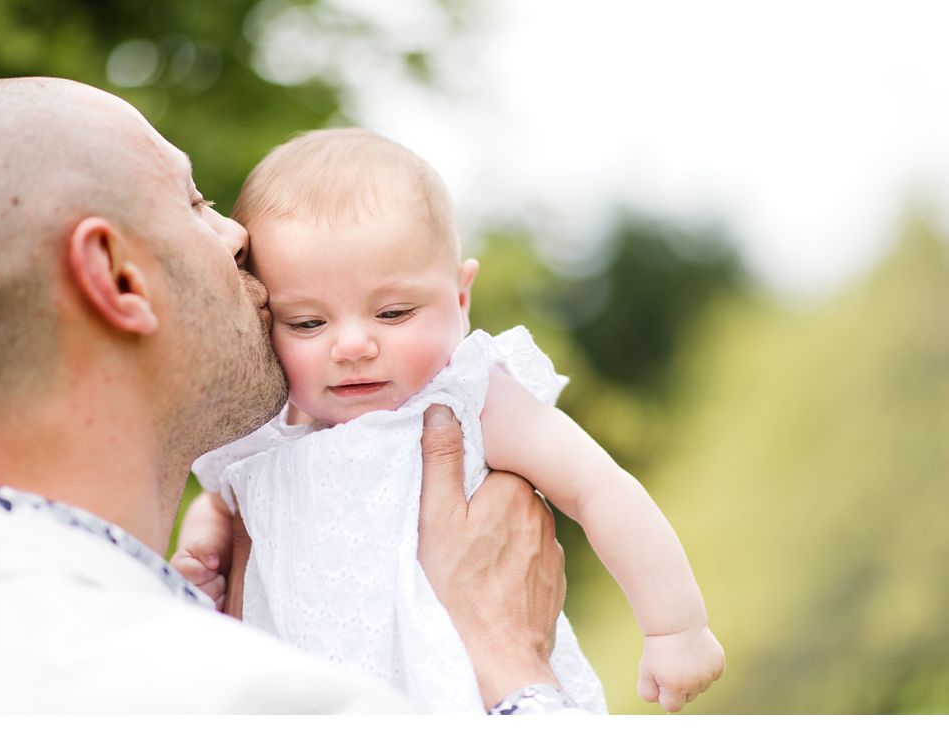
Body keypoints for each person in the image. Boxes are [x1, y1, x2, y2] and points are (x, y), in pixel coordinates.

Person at [0, 76, 577, 713]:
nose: (238, 236)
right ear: (117, 276)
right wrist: (512, 665)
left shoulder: (21, 624)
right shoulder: (236, 696)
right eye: (196, 202)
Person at [177, 129, 724, 713]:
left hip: (459, 694)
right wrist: (204, 539)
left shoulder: (471, 401)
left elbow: (600, 489)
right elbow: (227, 498)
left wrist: (676, 628)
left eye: (393, 312)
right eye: (307, 323)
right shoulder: (271, 430)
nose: (354, 345)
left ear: (461, 298)